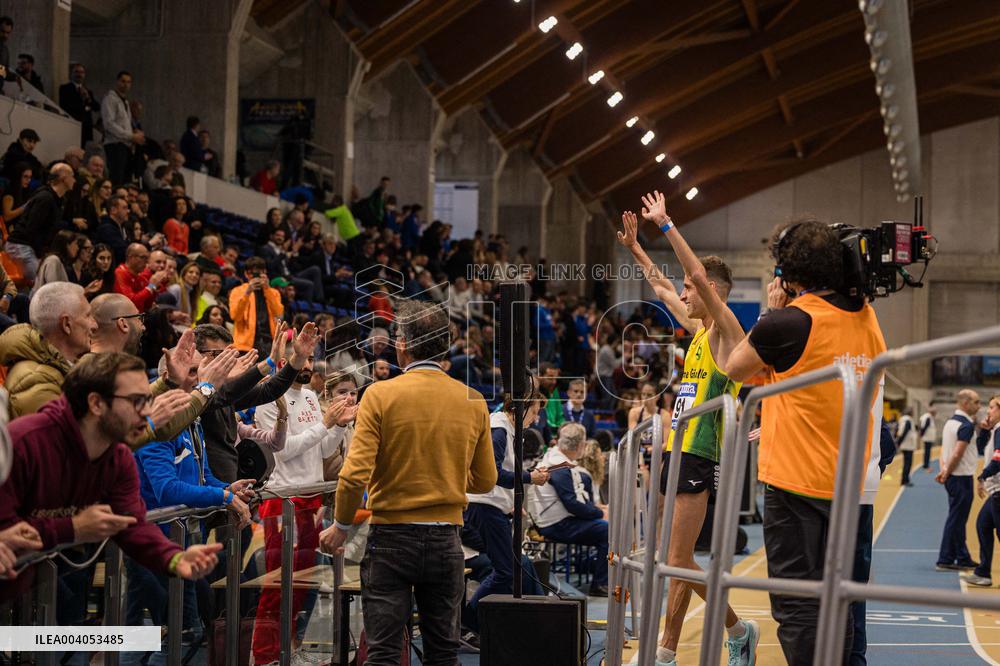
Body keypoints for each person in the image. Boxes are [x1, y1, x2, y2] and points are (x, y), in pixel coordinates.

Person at [725, 219, 887, 665]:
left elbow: (735, 368)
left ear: (787, 275)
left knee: (798, 605)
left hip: (795, 486)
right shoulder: (868, 318)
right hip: (849, 488)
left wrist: (771, 309)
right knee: (839, 602)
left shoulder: (788, 324)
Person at [319, 299, 497, 665]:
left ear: (402, 344)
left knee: (383, 653)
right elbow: (485, 480)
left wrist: (340, 525)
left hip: (391, 539)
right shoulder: (474, 399)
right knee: (443, 652)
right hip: (447, 539)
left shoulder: (380, 394)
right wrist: (442, 474)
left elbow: (354, 474)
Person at [0, 352, 222, 610]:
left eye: (148, 400)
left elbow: (131, 523)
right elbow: (8, 535)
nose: (148, 412)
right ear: (96, 403)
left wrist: (174, 558)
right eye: (137, 401)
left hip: (43, 591)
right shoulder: (25, 442)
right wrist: (72, 528)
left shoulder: (117, 455)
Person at [251, 353, 357, 665]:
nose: (308, 364)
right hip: (284, 501)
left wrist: (338, 425)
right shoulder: (269, 397)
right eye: (300, 357)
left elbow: (322, 449)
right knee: (278, 585)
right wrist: (326, 423)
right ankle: (264, 656)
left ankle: (290, 648)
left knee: (301, 585)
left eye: (311, 357)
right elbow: (284, 452)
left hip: (310, 499)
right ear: (282, 361)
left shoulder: (310, 395)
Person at [463, 392, 550, 632]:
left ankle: (538, 620)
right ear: (519, 409)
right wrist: (529, 478)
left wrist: (513, 496)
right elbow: (494, 474)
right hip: (484, 508)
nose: (536, 418)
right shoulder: (499, 430)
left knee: (512, 568)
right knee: (506, 571)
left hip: (491, 507)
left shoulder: (507, 430)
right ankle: (468, 618)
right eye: (534, 412)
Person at [529, 422, 609, 596]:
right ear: (580, 445)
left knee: (604, 525)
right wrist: (600, 513)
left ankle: (596, 572)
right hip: (555, 524)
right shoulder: (560, 466)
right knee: (607, 530)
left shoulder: (557, 458)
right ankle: (600, 584)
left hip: (557, 520)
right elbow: (572, 504)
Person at [0, 282, 96, 417]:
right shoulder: (37, 384)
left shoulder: (62, 363)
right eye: (88, 316)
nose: (95, 324)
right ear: (66, 324)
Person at [4, 163, 75, 284]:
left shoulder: (58, 200)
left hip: (32, 247)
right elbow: (32, 229)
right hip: (22, 246)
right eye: (72, 175)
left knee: (56, 276)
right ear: (63, 177)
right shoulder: (45, 198)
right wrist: (41, 254)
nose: (74, 179)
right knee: (42, 282)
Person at [935, 389, 981, 571]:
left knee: (958, 518)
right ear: (966, 403)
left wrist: (944, 470)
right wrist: (946, 472)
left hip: (953, 476)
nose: (979, 406)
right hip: (961, 478)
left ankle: (962, 556)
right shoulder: (966, 426)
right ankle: (945, 558)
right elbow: (957, 453)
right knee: (956, 519)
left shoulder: (950, 423)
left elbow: (943, 450)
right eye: (976, 402)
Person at [962, 394, 1000, 587]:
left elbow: (999, 459)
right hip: (995, 490)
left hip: (999, 491)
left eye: (992, 407)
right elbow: (981, 448)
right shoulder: (995, 430)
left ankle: (984, 572)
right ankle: (984, 573)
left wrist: (982, 476)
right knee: (983, 525)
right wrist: (984, 431)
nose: (988, 410)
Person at [228, 257, 283, 356]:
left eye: (259, 273)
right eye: (252, 274)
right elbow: (235, 316)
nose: (255, 277)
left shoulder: (274, 292)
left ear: (265, 272)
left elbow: (279, 314)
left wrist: (267, 289)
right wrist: (247, 293)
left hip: (269, 344)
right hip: (245, 345)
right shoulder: (237, 291)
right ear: (246, 274)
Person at [101, 70, 144, 185]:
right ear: (117, 82)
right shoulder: (110, 99)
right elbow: (109, 124)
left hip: (125, 146)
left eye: (129, 82)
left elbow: (124, 124)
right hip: (115, 145)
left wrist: (134, 132)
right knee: (116, 180)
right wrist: (131, 136)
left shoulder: (124, 101)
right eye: (123, 81)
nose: (126, 85)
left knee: (125, 181)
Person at [114, 243, 169, 312]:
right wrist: (151, 286)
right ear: (130, 257)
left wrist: (155, 286)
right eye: (143, 257)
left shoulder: (139, 277)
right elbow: (130, 303)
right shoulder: (120, 273)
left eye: (147, 258)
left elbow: (148, 304)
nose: (146, 262)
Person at [30, 230, 79, 297]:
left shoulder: (57, 261)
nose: (78, 248)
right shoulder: (53, 260)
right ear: (67, 245)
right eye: (76, 243)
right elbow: (52, 290)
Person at [59, 62, 96, 146]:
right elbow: (65, 106)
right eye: (76, 72)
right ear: (71, 74)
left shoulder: (88, 91)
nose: (79, 74)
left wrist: (88, 98)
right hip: (72, 125)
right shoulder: (65, 88)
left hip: (87, 127)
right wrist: (85, 108)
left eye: (82, 72)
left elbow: (96, 107)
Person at [896, 408, 917, 486]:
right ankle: (905, 480)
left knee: (907, 463)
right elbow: (904, 432)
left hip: (906, 445)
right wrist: (898, 443)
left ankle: (905, 479)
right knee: (908, 463)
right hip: (908, 445)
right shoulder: (908, 421)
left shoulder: (904, 420)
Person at [920, 404, 938, 470]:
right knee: (927, 452)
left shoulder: (929, 417)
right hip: (927, 438)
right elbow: (924, 427)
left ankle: (926, 464)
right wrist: (921, 435)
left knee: (927, 452)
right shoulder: (928, 417)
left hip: (928, 438)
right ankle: (926, 465)